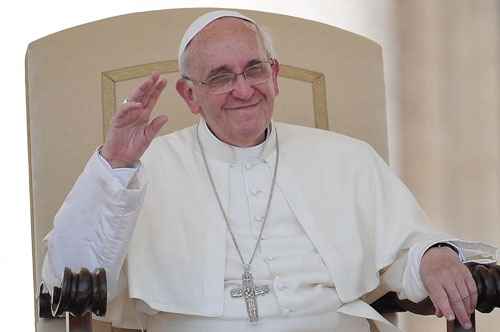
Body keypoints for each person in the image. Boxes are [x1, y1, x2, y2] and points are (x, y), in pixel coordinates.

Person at [41, 10, 494, 332]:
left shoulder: (346, 158)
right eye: (219, 77)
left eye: (253, 69)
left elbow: (403, 251)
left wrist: (434, 256)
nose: (242, 89)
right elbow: (69, 273)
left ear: (274, 75)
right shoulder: (144, 168)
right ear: (189, 95)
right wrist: (115, 167)